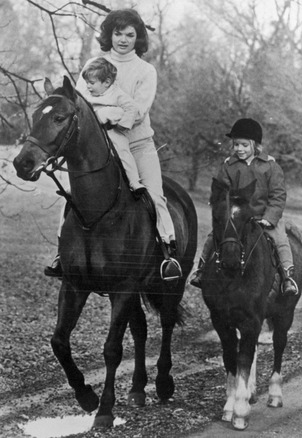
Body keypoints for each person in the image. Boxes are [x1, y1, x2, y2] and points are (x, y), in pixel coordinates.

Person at [45, 9, 181, 280]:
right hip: (101, 147)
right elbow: (79, 105)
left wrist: (104, 115)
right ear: (109, 34)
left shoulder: (146, 70)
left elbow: (139, 111)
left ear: (138, 37)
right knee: (73, 196)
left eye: (130, 34)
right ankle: (63, 253)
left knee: (154, 195)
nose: (123, 39)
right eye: (118, 33)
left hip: (138, 145)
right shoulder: (94, 63)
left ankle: (168, 254)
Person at [189, 118, 299, 296]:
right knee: (213, 237)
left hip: (263, 216)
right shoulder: (228, 166)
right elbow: (221, 194)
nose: (239, 149)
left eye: (244, 145)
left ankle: (287, 278)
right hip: (237, 218)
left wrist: (269, 218)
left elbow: (278, 196)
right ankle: (201, 271)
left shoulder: (270, 166)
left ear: (255, 145)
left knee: (280, 240)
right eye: (236, 145)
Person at [80, 57, 144, 194]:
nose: (88, 86)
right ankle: (76, 186)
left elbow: (131, 108)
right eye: (86, 83)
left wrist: (123, 125)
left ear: (107, 82)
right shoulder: (86, 95)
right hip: (93, 133)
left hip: (112, 130)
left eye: (91, 83)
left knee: (122, 152)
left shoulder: (117, 94)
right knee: (82, 155)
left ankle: (134, 181)